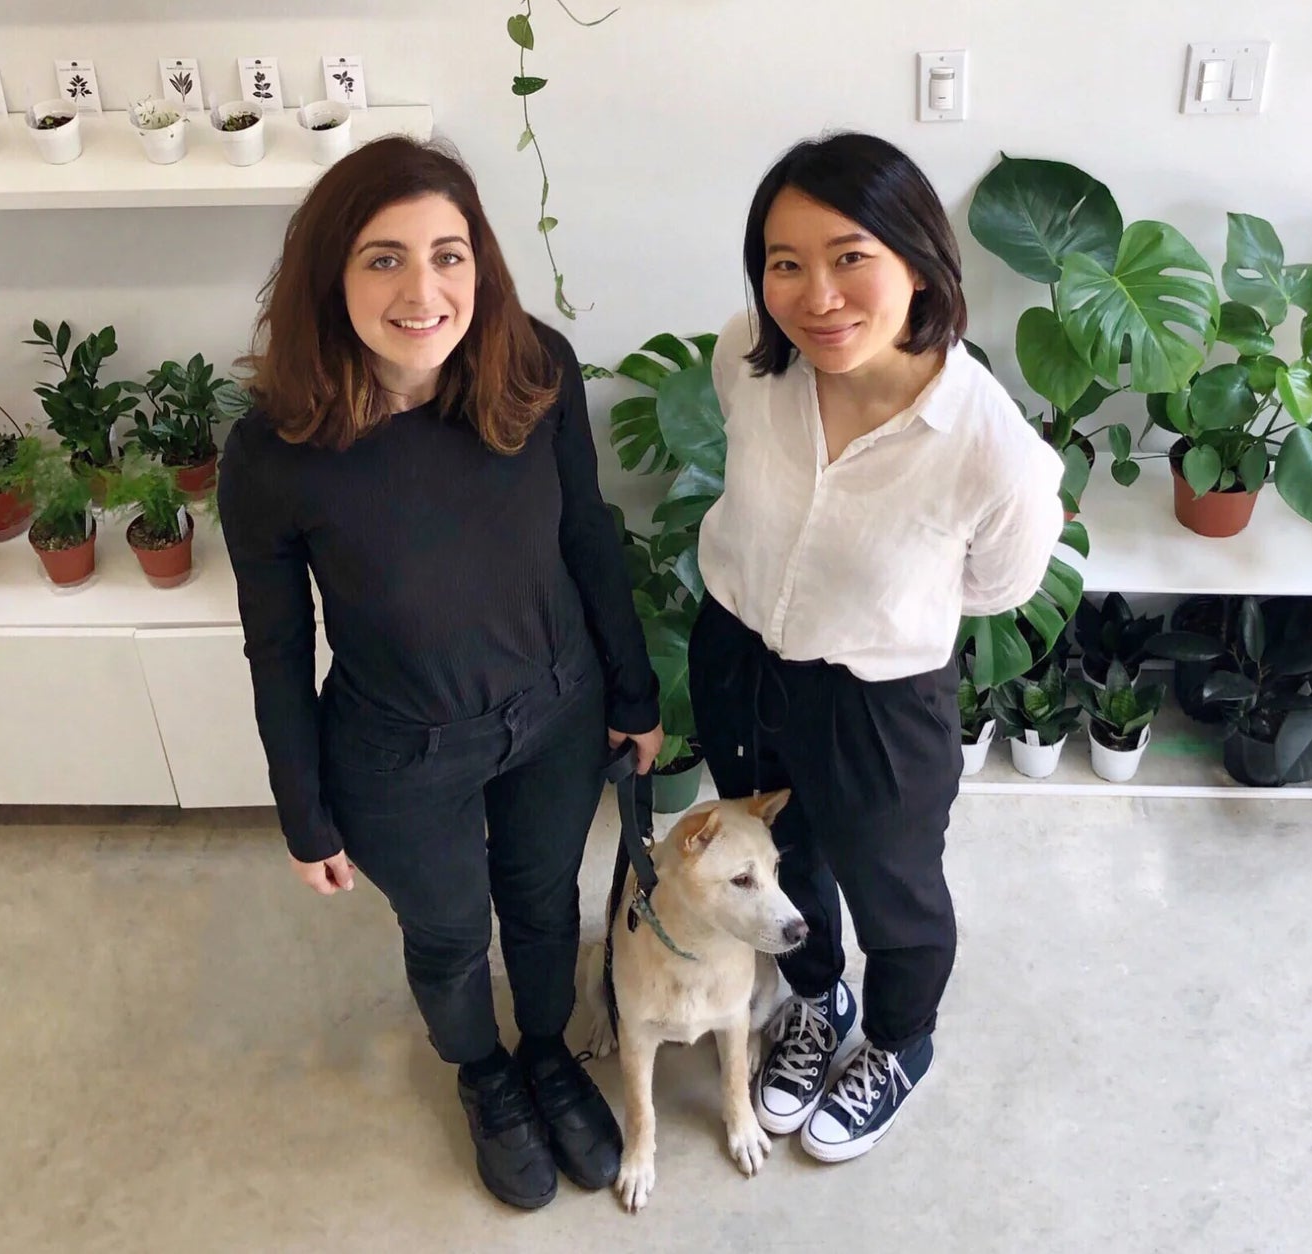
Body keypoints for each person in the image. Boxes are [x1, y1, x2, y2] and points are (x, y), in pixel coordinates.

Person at [218, 136, 663, 1211]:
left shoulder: (536, 370)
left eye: (448, 254)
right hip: (396, 750)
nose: (424, 291)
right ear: (331, 276)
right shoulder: (272, 455)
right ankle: (484, 1075)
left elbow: (591, 543)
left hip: (556, 712)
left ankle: (548, 1052)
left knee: (543, 903)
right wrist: (304, 814)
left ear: (482, 265)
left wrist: (635, 692)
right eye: (383, 259)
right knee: (453, 929)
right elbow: (277, 645)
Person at [689, 132, 1063, 1163]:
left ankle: (899, 1039)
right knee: (777, 856)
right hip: (740, 656)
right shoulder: (750, 360)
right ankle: (815, 999)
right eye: (786, 263)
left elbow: (1001, 584)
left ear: (917, 262)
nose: (818, 295)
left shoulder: (993, 451)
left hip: (877, 697)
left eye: (851, 256)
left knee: (893, 883)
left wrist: (879, 613)